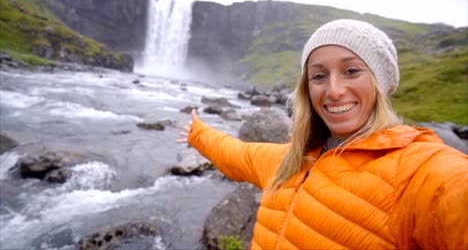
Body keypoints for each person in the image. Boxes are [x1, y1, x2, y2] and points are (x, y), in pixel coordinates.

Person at [178, 19, 468, 249]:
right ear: (306, 89)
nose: (334, 90)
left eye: (352, 71)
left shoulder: (417, 170)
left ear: (380, 83)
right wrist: (197, 133)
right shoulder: (288, 160)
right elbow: (236, 154)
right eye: (318, 76)